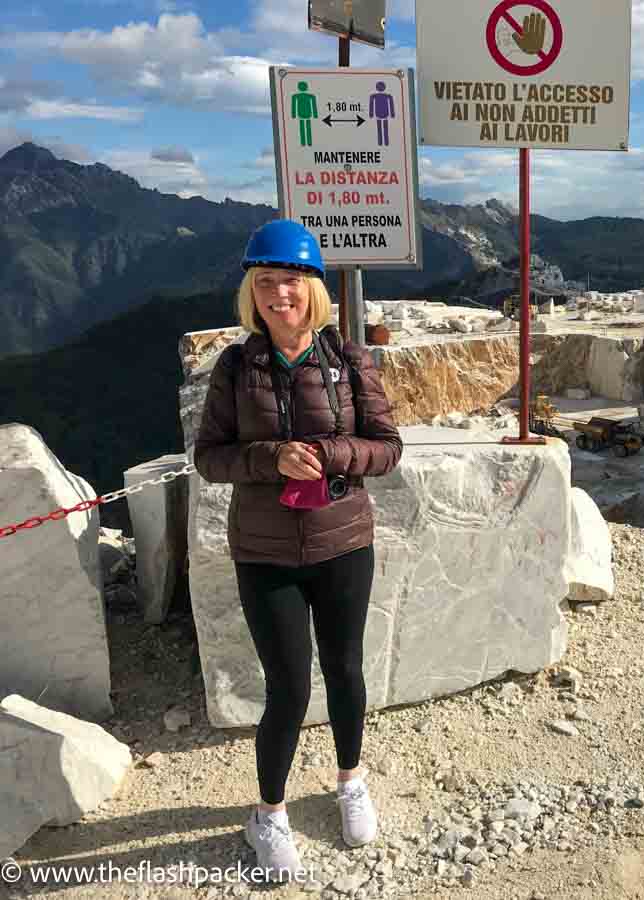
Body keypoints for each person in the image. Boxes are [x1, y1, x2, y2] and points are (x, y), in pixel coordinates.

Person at [194, 219, 403, 880]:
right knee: (286, 687)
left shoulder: (348, 359)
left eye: (289, 281)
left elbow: (388, 447)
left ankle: (349, 781)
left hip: (343, 540)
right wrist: (270, 459)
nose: (277, 295)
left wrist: (334, 454)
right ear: (250, 293)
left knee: (345, 671)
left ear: (311, 288)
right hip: (265, 551)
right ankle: (271, 813)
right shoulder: (235, 366)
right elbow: (209, 458)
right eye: (264, 283)